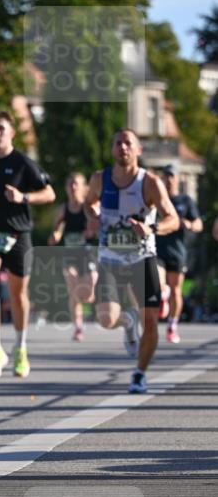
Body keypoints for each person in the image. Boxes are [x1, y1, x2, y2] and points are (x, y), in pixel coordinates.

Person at [84, 128, 179, 394]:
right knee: (105, 318)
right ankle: (127, 321)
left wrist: (153, 229)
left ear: (138, 150)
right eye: (118, 143)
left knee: (150, 321)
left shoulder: (149, 183)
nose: (123, 147)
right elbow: (88, 203)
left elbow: (172, 218)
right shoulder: (99, 179)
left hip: (142, 258)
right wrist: (91, 212)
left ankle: (139, 373)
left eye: (128, 143)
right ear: (112, 149)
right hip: (110, 259)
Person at [0, 111, 55, 378]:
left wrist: (23, 196)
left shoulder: (23, 163)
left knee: (17, 295)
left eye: (1, 128)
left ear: (12, 132)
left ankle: (21, 348)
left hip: (17, 233)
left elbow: (49, 193)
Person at [47, 173, 98, 341]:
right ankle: (78, 327)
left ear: (84, 188)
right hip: (70, 254)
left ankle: (91, 300)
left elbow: (100, 225)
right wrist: (55, 235)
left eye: (76, 184)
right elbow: (58, 228)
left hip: (87, 253)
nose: (73, 187)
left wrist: (93, 229)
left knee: (88, 294)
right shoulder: (63, 208)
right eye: (70, 184)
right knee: (73, 287)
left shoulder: (88, 207)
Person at [156, 163, 202, 343]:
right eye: (165, 175)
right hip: (157, 249)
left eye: (171, 176)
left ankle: (172, 325)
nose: (168, 179)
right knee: (159, 283)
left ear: (177, 178)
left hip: (177, 251)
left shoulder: (185, 201)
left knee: (176, 290)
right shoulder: (156, 198)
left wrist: (190, 225)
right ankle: (162, 294)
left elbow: (199, 224)